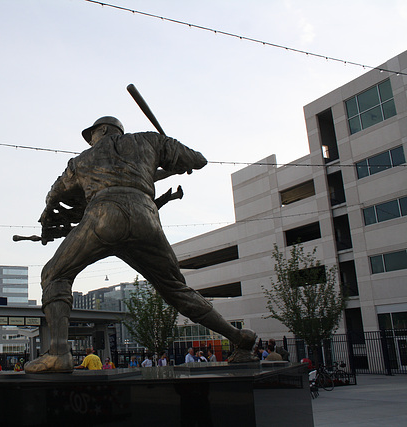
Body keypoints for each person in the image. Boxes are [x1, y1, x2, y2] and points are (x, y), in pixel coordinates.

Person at [24, 116, 256, 373]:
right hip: (146, 218)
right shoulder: (150, 140)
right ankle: (239, 338)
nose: (91, 141)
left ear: (102, 130)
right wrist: (178, 159)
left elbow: (54, 193)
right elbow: (199, 159)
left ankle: (58, 353)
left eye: (91, 135)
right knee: (176, 288)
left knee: (54, 274)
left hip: (104, 215)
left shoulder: (81, 160)